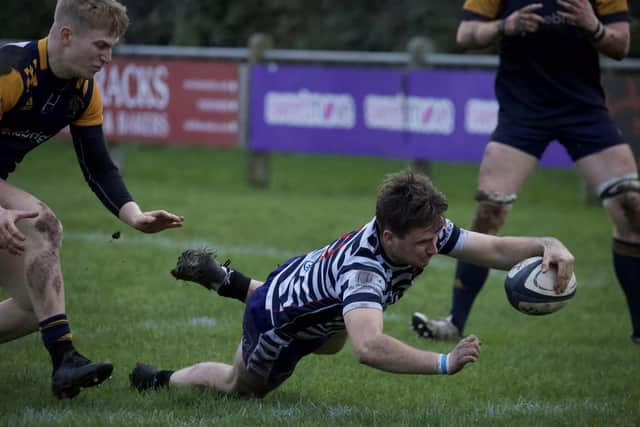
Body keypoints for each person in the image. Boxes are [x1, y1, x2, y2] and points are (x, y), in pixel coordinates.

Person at [129, 170, 573, 398]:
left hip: (305, 283)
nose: (434, 249)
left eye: (437, 237)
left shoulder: (423, 229)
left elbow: (493, 251)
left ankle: (228, 280)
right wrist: (444, 363)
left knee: (331, 339)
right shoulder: (364, 272)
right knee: (240, 390)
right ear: (388, 237)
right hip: (275, 322)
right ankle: (160, 380)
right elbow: (371, 348)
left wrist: (547, 243)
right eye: (422, 244)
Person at [411, 0, 639, 344]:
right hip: (522, 114)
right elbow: (466, 33)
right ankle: (454, 322)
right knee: (489, 212)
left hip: (584, 110)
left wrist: (593, 25)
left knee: (632, 208)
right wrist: (505, 26)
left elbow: (621, 44)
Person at [0, 0, 184, 399]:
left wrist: (134, 216)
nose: (108, 56)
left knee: (37, 303)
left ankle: (65, 362)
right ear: (66, 35)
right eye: (101, 45)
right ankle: (64, 358)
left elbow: (99, 167)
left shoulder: (81, 91)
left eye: (112, 46)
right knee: (43, 223)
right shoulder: (11, 71)